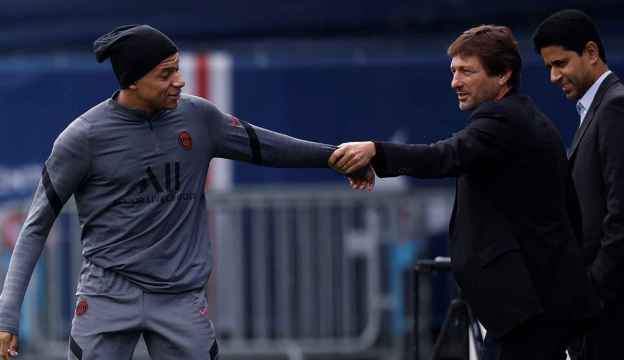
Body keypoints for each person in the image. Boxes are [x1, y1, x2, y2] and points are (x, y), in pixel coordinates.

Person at [0, 24, 372, 360]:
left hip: (180, 299)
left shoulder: (200, 119)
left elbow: (267, 146)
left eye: (177, 68)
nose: (179, 81)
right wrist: (7, 316)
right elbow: (35, 226)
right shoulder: (82, 138)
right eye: (166, 74)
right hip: (106, 297)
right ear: (131, 81)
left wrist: (335, 158)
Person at [329, 25, 598, 360]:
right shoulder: (520, 119)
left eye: (467, 71)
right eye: (453, 71)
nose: (455, 82)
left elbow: (444, 156)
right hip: (531, 309)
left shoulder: (504, 121)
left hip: (528, 313)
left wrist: (375, 150)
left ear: (503, 76)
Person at [533, 9, 624, 359]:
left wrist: (593, 290)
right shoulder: (596, 109)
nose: (553, 76)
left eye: (560, 63)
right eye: (549, 66)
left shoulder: (617, 107)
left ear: (591, 53)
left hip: (608, 308)